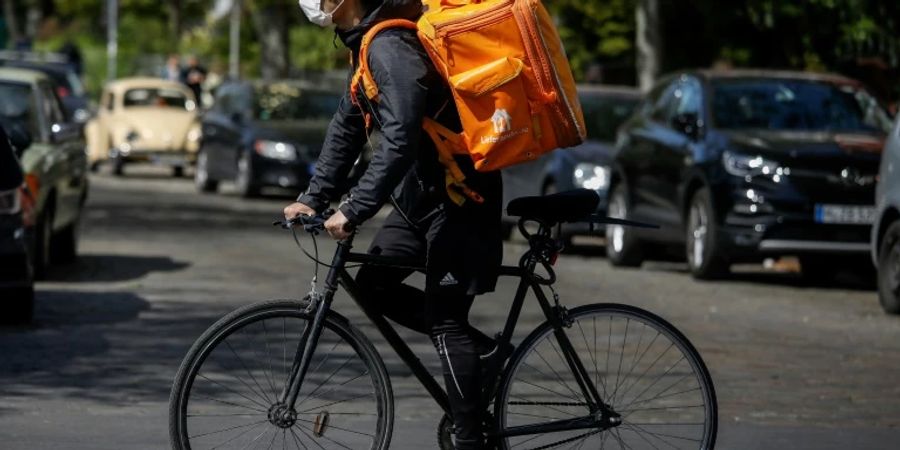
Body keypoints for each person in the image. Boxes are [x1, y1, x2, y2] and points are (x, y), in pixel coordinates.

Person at [283, 1, 502, 448]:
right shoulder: (366, 47)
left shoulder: (389, 47)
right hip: (421, 199)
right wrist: (312, 199)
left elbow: (399, 139)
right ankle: (486, 355)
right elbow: (346, 129)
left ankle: (469, 437)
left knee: (446, 321)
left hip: (462, 198)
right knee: (374, 286)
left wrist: (355, 208)